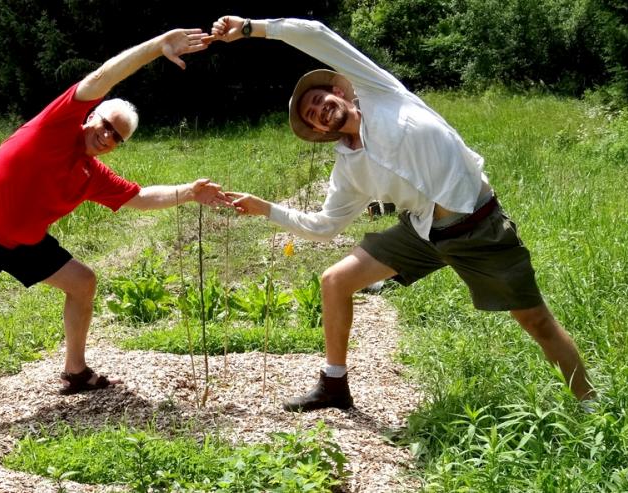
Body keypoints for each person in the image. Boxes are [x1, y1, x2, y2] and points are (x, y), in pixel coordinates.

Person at [210, 16, 595, 411]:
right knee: (334, 281)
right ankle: (334, 385)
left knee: (536, 321)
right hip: (424, 233)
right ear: (319, 130)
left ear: (339, 93)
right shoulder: (348, 170)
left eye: (319, 100)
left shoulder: (381, 92)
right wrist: (265, 208)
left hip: (479, 226)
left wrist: (249, 28)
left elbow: (316, 34)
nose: (319, 111)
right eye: (311, 115)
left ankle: (590, 406)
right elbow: (323, 227)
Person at [0, 27, 231, 416]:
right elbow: (103, 76)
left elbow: (140, 197)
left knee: (82, 282)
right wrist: (155, 48)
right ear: (92, 115)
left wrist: (190, 192)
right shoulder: (57, 124)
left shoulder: (92, 175)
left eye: (117, 136)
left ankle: (75, 372)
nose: (107, 135)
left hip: (21, 241)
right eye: (106, 124)